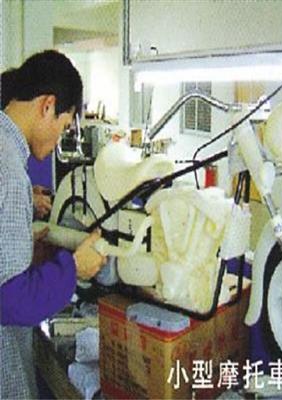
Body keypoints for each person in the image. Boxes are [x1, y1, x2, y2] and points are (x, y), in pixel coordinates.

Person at [0, 50, 106, 399]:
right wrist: (74, 268)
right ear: (48, 105)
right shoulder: (10, 173)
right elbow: (11, 301)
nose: (59, 138)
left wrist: (28, 257)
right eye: (63, 126)